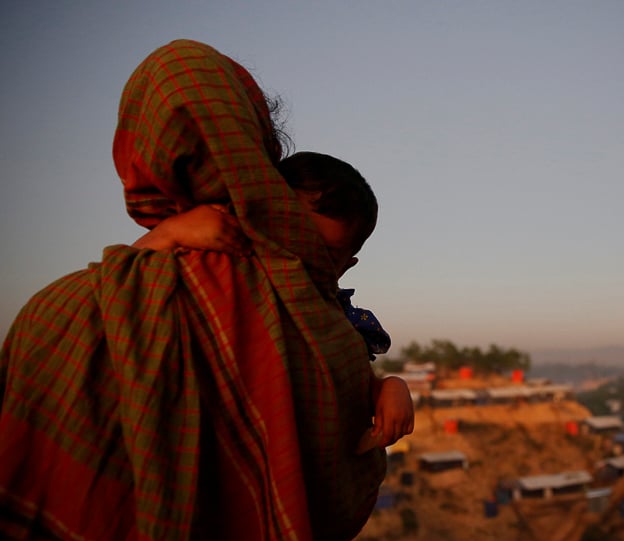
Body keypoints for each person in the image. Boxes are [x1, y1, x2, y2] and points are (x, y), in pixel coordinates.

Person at [0, 39, 401, 541]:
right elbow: (333, 491)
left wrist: (386, 384)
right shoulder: (301, 318)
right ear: (255, 148)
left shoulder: (62, 308)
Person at [134, 151, 414, 450]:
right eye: (290, 236)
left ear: (346, 266)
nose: (300, 258)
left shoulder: (337, 321)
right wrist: (170, 234)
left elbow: (352, 380)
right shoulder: (220, 270)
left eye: (324, 254)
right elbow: (119, 288)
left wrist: (392, 388)